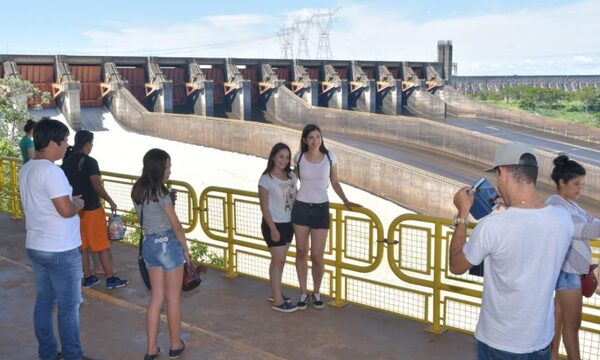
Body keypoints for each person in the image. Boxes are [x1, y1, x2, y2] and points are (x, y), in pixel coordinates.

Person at [449, 142, 573, 359]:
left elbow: (457, 265)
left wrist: (462, 215)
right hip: (541, 341)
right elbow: (531, 233)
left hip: (499, 342)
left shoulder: (493, 226)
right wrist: (511, 208)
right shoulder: (563, 219)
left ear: (504, 172)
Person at [19, 117, 87, 360]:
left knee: (45, 302)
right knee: (69, 307)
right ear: (51, 142)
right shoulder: (52, 172)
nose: (67, 145)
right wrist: (77, 203)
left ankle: (47, 354)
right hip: (60, 249)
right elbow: (65, 210)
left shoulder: (26, 169)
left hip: (37, 246)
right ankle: (72, 355)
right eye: (64, 141)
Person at [292, 124, 360, 310]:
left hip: (321, 208)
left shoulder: (330, 157)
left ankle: (317, 292)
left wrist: (345, 200)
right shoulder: (299, 157)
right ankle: (303, 292)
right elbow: (292, 181)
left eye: (318, 137)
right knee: (300, 251)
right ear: (305, 139)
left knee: (317, 255)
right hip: (301, 207)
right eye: (311, 137)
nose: (315, 140)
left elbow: (335, 182)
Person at [131, 148, 189, 360]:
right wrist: (185, 248)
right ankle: (175, 345)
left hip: (149, 245)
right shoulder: (162, 194)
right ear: (157, 169)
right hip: (168, 246)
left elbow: (149, 214)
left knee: (156, 298)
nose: (169, 171)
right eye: (167, 167)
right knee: (173, 298)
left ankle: (151, 349)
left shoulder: (137, 191)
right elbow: (176, 226)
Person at [546, 155, 600, 360]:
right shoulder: (556, 207)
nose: (580, 189)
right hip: (567, 273)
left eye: (582, 184)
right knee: (572, 325)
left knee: (558, 324)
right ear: (562, 182)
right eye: (576, 184)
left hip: (568, 272)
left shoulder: (571, 205)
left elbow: (592, 221)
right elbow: (583, 230)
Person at [61, 130, 128, 290]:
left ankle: (88, 277)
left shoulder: (67, 162)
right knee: (102, 245)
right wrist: (110, 201)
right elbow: (96, 185)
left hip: (75, 209)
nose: (92, 146)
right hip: (91, 208)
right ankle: (110, 278)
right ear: (87, 143)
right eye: (91, 143)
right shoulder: (90, 162)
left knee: (82, 245)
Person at [258, 143, 298, 313]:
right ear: (273, 156)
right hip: (273, 225)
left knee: (278, 261)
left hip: (289, 224)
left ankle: (275, 293)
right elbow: (264, 207)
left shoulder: (291, 176)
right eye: (281, 156)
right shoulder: (266, 179)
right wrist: (273, 229)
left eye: (287, 157)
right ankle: (278, 300)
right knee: (279, 261)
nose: (284, 160)